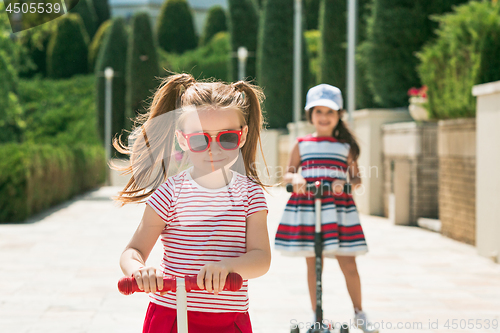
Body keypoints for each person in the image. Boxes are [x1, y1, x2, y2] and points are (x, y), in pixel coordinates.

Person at [112, 73, 271, 333]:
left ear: (241, 136)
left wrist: (228, 267)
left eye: (227, 138)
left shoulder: (250, 195)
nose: (213, 149)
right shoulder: (170, 193)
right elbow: (132, 252)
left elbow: (261, 257)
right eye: (200, 139)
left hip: (227, 321)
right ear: (183, 139)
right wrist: (140, 271)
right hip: (170, 316)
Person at [274, 84, 378, 333]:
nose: (323, 117)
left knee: (348, 263)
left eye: (329, 112)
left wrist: (345, 183)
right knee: (313, 264)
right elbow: (287, 175)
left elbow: (357, 179)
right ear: (310, 115)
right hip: (310, 210)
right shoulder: (301, 144)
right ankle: (315, 314)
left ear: (339, 115)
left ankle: (359, 312)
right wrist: (296, 180)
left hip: (339, 212)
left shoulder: (345, 148)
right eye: (318, 111)